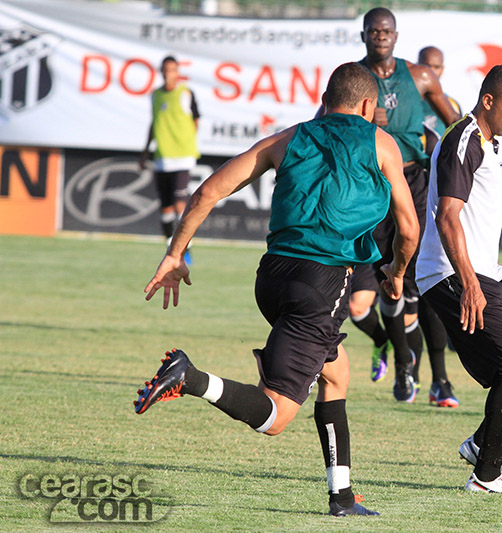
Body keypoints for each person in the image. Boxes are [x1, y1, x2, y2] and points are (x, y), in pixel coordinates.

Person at [133, 62, 419, 516]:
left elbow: (207, 191)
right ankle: (191, 378)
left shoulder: (286, 138)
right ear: (369, 106)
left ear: (325, 102)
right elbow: (408, 228)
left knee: (336, 372)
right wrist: (398, 273)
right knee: (277, 416)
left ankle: (341, 496)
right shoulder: (381, 143)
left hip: (271, 277)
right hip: (321, 282)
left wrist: (175, 254)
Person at [416, 65, 502, 493]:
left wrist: (483, 278)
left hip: (490, 274)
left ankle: (482, 443)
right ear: (489, 101)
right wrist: (470, 283)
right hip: (452, 274)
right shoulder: (462, 140)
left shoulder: (495, 144)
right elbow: (447, 216)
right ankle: (486, 477)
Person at [359, 7, 461, 406]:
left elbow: (453, 124)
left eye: (386, 30)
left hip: (415, 185)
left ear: (396, 36)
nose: (380, 36)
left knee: (426, 282)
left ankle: (440, 380)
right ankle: (402, 361)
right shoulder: (353, 78)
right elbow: (325, 122)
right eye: (373, 31)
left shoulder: (419, 76)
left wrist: (464, 171)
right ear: (364, 35)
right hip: (372, 189)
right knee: (388, 282)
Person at [140, 55, 200, 263]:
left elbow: (196, 119)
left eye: (172, 70)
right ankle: (169, 246)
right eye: (165, 69)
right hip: (162, 156)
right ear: (161, 71)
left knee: (179, 204)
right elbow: (154, 122)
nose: (168, 74)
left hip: (182, 156)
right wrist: (145, 151)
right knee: (165, 207)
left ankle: (186, 247)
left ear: (177, 72)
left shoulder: (185, 93)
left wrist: (186, 141)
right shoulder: (155, 95)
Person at [348, 264, 392, 382]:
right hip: (365, 255)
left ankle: (411, 373)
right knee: (356, 307)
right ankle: (381, 341)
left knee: (407, 320)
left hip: (399, 254)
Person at [417, 46, 463, 157]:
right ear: (417, 66)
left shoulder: (452, 105)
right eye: (427, 66)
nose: (431, 71)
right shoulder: (405, 100)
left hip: (438, 168)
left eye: (436, 67)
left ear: (442, 69)